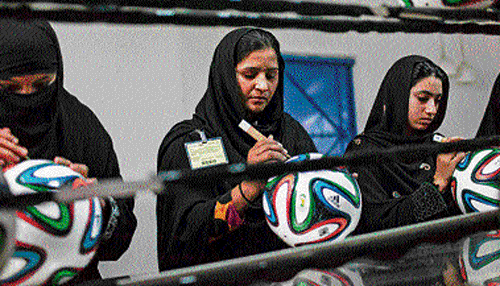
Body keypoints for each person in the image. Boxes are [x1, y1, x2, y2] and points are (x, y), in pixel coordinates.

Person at [156, 27, 317, 271]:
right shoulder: (189, 141)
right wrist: (249, 187)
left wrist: (332, 186)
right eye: (250, 74)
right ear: (226, 77)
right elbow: (181, 240)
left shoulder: (291, 133)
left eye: (271, 76)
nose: (262, 85)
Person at [0, 20, 137, 283]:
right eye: (10, 88)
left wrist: (96, 205)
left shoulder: (80, 127)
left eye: (41, 85)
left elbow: (121, 238)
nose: (27, 97)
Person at [344, 55, 466, 234]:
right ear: (398, 96)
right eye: (423, 98)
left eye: (438, 101)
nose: (432, 110)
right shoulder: (365, 151)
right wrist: (438, 182)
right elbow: (380, 224)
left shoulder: (437, 147)